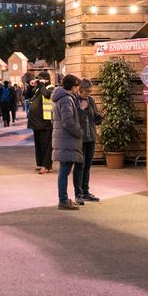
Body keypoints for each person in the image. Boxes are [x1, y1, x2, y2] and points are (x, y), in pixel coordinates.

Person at [52, 74, 84, 210]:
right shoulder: (66, 99)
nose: (78, 89)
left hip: (62, 138)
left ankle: (64, 198)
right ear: (72, 86)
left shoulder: (61, 97)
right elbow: (68, 121)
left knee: (64, 170)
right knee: (64, 171)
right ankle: (63, 200)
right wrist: (79, 132)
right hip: (67, 139)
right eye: (77, 86)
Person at [73, 79, 102, 204]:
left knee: (87, 166)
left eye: (89, 91)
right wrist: (82, 110)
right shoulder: (74, 100)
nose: (88, 94)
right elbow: (73, 119)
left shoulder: (90, 100)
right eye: (86, 91)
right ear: (80, 90)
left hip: (91, 137)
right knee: (79, 166)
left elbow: (94, 119)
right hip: (80, 138)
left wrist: (101, 116)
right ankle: (78, 194)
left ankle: (86, 192)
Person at [27, 74, 54, 174]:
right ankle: (40, 163)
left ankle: (46, 165)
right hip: (36, 122)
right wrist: (32, 85)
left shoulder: (51, 88)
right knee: (38, 144)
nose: (37, 80)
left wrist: (42, 84)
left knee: (46, 145)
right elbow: (28, 94)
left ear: (46, 80)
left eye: (39, 79)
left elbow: (47, 95)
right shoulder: (39, 89)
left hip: (45, 122)